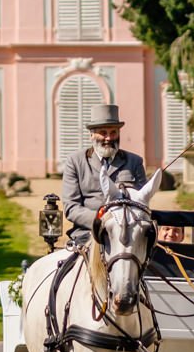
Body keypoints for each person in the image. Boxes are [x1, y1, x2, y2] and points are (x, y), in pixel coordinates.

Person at [61, 104, 146, 249]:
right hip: (87, 234)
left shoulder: (134, 162)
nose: (108, 138)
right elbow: (71, 207)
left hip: (127, 235)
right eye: (103, 132)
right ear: (92, 135)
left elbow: (142, 203)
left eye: (113, 132)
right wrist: (101, 219)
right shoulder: (75, 162)